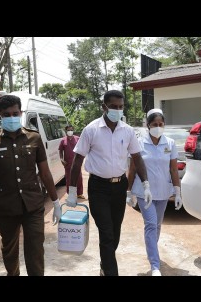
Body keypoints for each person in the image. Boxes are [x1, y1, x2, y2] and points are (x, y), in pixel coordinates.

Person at [66, 90, 152, 276]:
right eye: (113, 106)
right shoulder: (91, 130)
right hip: (98, 187)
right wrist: (72, 191)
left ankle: (105, 266)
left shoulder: (128, 131)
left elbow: (137, 159)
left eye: (121, 107)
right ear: (104, 106)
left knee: (115, 232)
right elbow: (77, 162)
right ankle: (111, 272)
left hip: (119, 187)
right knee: (106, 233)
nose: (117, 110)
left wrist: (146, 184)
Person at [0, 94, 61, 276]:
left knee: (35, 249)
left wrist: (56, 203)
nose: (11, 117)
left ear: (21, 112)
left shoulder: (34, 138)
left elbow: (45, 173)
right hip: (6, 206)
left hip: (33, 204)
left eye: (15, 113)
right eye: (6, 114)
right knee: (9, 250)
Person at [127, 108, 182, 276]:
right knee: (150, 224)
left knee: (157, 225)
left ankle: (152, 250)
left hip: (163, 192)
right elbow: (133, 168)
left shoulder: (170, 143)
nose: (158, 127)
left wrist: (177, 191)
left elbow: (173, 169)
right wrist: (128, 191)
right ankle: (155, 265)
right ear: (147, 125)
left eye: (161, 124)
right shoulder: (139, 143)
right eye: (154, 124)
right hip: (144, 192)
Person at [58, 125, 85, 199]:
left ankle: (79, 193)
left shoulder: (77, 139)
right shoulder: (63, 140)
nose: (70, 131)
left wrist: (81, 159)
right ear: (66, 131)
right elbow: (60, 151)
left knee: (79, 178)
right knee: (69, 179)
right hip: (68, 163)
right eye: (68, 130)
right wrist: (61, 159)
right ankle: (70, 194)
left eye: (71, 130)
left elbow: (82, 148)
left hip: (76, 162)